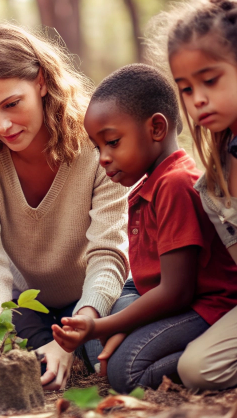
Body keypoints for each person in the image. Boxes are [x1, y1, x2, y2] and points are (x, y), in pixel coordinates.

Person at [0, 24, 130, 390]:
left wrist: (77, 329)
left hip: (97, 294)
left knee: (110, 359)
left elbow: (108, 253)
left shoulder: (98, 139)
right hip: (24, 302)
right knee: (29, 366)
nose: (2, 125)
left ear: (41, 82)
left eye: (12, 104)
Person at [52, 63, 237, 393]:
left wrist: (97, 327)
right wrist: (106, 327)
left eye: (112, 142)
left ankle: (198, 358)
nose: (103, 158)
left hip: (206, 305)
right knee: (105, 329)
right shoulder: (151, 183)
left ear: (156, 129)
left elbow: (176, 292)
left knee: (126, 372)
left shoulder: (176, 184)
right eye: (98, 148)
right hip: (169, 297)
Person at [146, 0, 237, 390]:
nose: (198, 99)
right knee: (196, 368)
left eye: (211, 81)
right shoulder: (213, 178)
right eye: (185, 88)